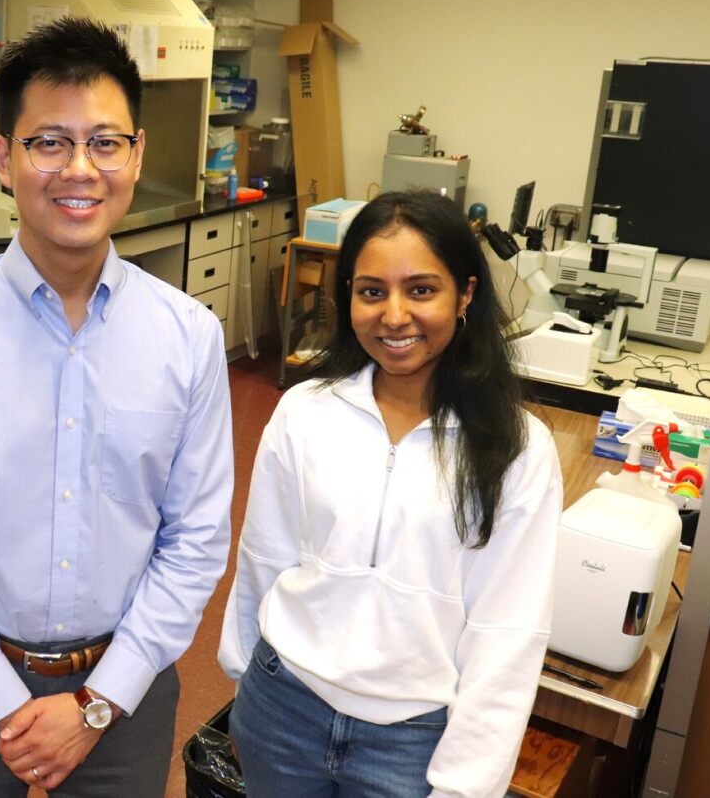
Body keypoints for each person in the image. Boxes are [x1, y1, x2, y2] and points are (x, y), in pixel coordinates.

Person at [0, 16, 234, 797]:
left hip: (126, 683)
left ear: (136, 155)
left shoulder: (188, 336)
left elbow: (197, 539)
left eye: (104, 142)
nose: (79, 168)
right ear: (5, 158)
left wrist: (99, 702)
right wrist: (1, 700)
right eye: (49, 142)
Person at [219, 190, 562, 797]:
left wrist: (465, 785)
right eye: (371, 291)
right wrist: (246, 690)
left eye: (422, 290)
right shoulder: (306, 412)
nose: (394, 315)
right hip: (282, 708)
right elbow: (263, 563)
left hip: (412, 741)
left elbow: (507, 632)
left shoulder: (515, 447)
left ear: (467, 295)